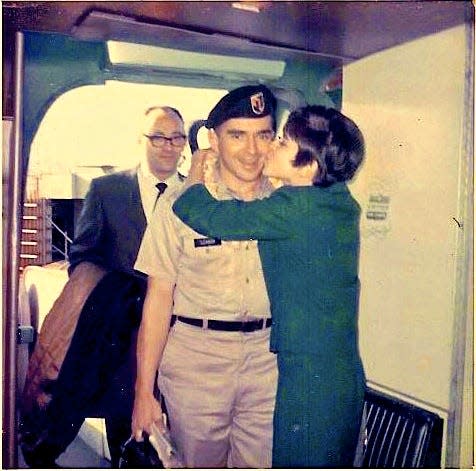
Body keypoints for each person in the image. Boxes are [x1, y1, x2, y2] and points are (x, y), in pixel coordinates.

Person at [173, 105, 367, 467]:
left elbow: (203, 213)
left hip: (310, 376)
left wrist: (198, 163)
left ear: (308, 166)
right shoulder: (336, 201)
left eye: (282, 142)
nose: (269, 147)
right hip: (337, 371)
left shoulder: (295, 207)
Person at [132, 85, 278, 468]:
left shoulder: (287, 202)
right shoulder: (180, 202)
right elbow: (158, 298)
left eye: (262, 135)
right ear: (213, 140)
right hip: (197, 360)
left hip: (268, 360)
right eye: (237, 135)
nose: (251, 150)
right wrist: (143, 391)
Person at [65, 105, 187, 466]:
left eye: (177, 137)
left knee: (184, 440)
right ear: (141, 140)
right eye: (158, 137)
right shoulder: (106, 190)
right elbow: (82, 257)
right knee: (129, 440)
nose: (168, 145)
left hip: (184, 341)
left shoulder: (198, 195)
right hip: (123, 345)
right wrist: (116, 297)